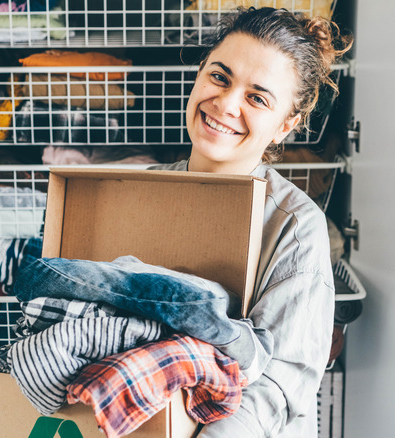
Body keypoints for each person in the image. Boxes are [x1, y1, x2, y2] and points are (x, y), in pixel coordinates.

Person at [149, 7, 352, 437]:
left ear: (286, 125)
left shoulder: (295, 227)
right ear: (199, 72)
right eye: (219, 77)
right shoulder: (137, 192)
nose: (225, 104)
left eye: (257, 98)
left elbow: (276, 386)